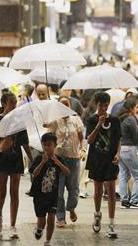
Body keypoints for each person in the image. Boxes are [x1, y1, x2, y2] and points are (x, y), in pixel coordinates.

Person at [0, 92, 33, 238]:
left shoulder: (19, 121)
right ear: (4, 104)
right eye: (11, 102)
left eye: (15, 102)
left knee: (14, 192)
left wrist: (32, 159)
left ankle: (12, 226)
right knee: (1, 193)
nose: (14, 105)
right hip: (1, 159)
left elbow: (25, 142)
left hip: (16, 158)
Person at [44, 96, 85, 227]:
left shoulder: (76, 120)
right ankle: (60, 217)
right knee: (59, 191)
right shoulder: (55, 121)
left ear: (69, 105)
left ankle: (71, 208)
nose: (64, 106)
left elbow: (81, 137)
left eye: (66, 104)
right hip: (58, 159)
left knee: (73, 189)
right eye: (61, 104)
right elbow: (48, 134)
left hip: (73, 159)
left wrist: (83, 148)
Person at [85, 92, 120, 238]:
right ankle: (97, 214)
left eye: (106, 105)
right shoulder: (91, 120)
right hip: (96, 159)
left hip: (110, 159)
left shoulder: (115, 120)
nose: (104, 108)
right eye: (101, 105)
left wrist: (118, 153)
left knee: (111, 190)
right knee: (98, 190)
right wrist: (99, 124)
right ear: (96, 104)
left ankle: (111, 224)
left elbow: (118, 139)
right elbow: (89, 140)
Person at [29, 133, 70, 246]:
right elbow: (34, 173)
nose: (47, 147)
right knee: (41, 221)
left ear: (55, 145)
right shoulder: (39, 158)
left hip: (52, 195)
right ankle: (39, 228)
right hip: (39, 195)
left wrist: (59, 163)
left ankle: (47, 241)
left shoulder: (59, 159)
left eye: (49, 145)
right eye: (45, 145)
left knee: (51, 218)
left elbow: (67, 172)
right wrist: (42, 162)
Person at [116, 96, 138, 209]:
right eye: (136, 107)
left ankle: (124, 199)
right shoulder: (130, 119)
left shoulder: (121, 118)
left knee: (124, 174)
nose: (137, 110)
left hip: (121, 148)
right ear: (132, 108)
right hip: (130, 148)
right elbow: (137, 134)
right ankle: (134, 200)